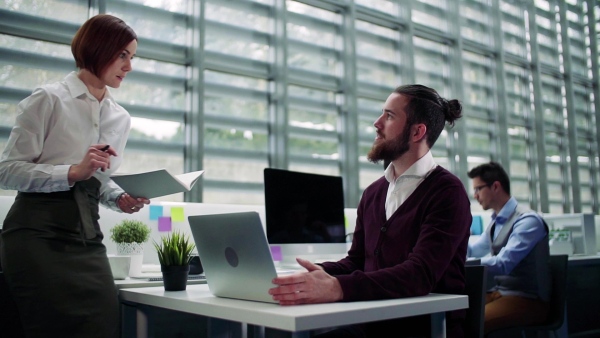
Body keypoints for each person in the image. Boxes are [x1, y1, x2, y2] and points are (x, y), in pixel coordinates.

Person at [269, 84, 472, 338]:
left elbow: (419, 275)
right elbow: (356, 262)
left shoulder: (447, 192)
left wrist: (337, 287)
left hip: (423, 329)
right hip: (372, 325)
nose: (377, 123)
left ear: (417, 131)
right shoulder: (374, 192)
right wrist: (318, 274)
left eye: (389, 116)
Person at [0, 14, 149, 337]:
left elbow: (99, 180)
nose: (129, 66)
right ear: (98, 48)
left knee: (105, 324)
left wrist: (119, 198)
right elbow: (7, 171)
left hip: (87, 238)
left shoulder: (119, 118)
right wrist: (71, 171)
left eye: (132, 57)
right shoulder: (48, 99)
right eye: (123, 55)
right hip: (36, 236)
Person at [467, 162, 550, 334]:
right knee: (454, 316)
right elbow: (473, 251)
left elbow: (504, 263)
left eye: (478, 189)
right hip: (501, 293)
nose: (475, 195)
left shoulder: (528, 221)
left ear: (495, 186)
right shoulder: (495, 223)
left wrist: (465, 265)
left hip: (527, 299)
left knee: (473, 323)